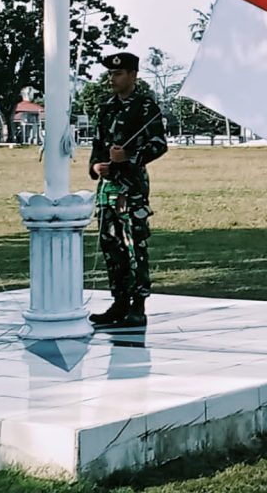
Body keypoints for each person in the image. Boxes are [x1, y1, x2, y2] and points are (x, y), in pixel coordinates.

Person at [88, 52, 168, 329]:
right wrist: (96, 166)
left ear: (133, 75)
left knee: (133, 244)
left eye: (118, 74)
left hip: (131, 189)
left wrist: (130, 157)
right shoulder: (105, 108)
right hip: (107, 188)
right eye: (110, 74)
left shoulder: (145, 108)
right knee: (111, 245)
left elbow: (158, 144)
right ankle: (118, 300)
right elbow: (98, 145)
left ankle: (138, 304)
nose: (113, 78)